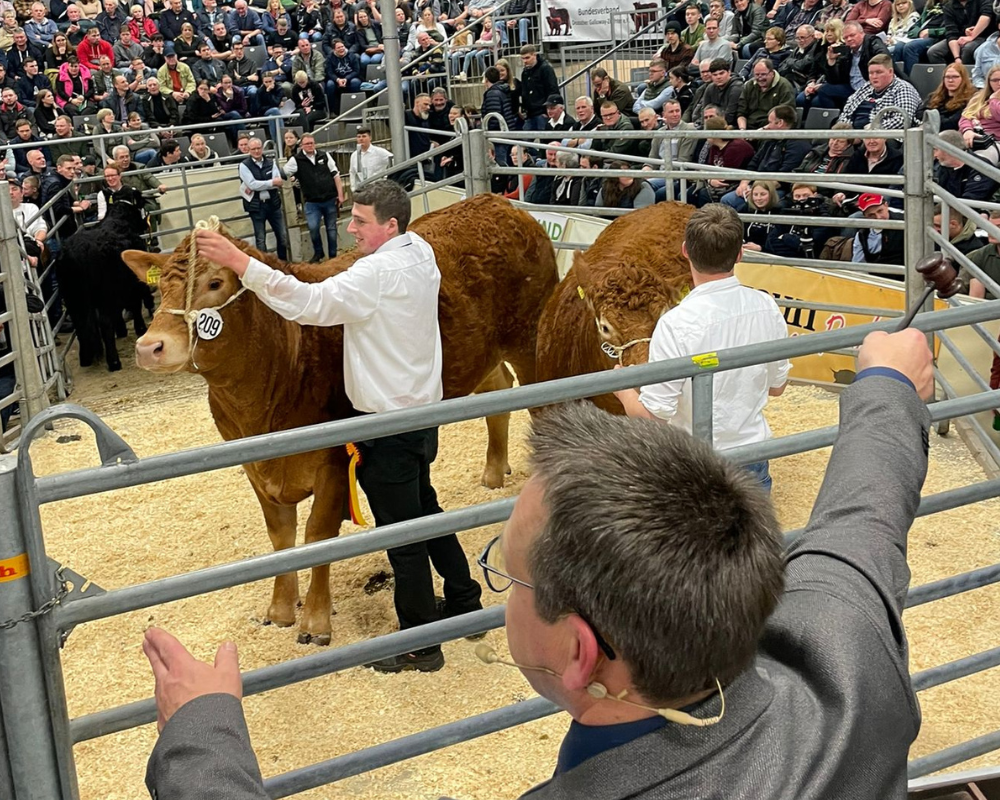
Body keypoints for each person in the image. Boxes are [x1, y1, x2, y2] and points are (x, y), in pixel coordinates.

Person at [141, 244, 938, 800]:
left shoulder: (848, 634)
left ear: (578, 650)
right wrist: (887, 388)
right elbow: (866, 512)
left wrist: (202, 736)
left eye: (508, 573)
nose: (505, 584)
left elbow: (864, 520)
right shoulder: (852, 668)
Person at [192, 179, 482, 673]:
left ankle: (419, 644)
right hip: (422, 413)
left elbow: (307, 304)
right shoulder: (421, 253)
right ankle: (464, 599)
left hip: (384, 421)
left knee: (401, 535)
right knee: (426, 508)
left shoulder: (374, 274)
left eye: (361, 221)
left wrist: (241, 263)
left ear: (391, 225)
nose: (350, 228)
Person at [615, 203, 787, 490]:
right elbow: (777, 387)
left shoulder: (675, 324)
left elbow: (654, 417)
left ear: (686, 251)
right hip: (753, 458)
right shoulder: (766, 307)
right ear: (740, 254)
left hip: (694, 463)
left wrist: (622, 387)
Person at [284, 132, 344, 262]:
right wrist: (292, 178)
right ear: (301, 145)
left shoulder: (325, 155)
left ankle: (333, 256)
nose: (310, 146)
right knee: (313, 228)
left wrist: (340, 194)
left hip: (330, 198)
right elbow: (284, 172)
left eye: (312, 143)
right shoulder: (296, 160)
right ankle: (319, 252)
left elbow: (336, 175)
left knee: (332, 229)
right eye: (307, 144)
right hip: (312, 202)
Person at [238, 136, 287, 260]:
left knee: (282, 236)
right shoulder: (244, 165)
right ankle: (264, 266)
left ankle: (283, 263)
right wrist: (271, 183)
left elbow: (278, 181)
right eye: (253, 149)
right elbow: (252, 185)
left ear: (262, 149)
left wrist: (260, 184)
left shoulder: (271, 162)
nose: (256, 151)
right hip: (257, 206)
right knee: (260, 240)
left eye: (258, 148)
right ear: (249, 150)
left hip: (273, 204)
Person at [915, 61, 974, 130]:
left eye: (955, 77)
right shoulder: (934, 96)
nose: (951, 80)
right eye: (947, 77)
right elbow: (919, 114)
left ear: (963, 79)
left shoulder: (970, 99)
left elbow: (953, 122)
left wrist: (932, 117)